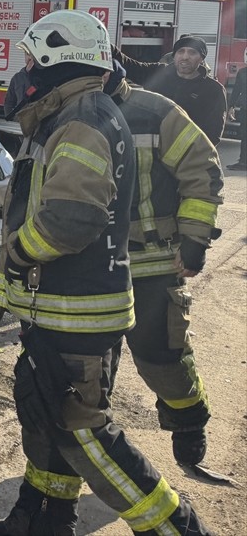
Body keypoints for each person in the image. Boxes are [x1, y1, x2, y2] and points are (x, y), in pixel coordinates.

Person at [0, 10, 209, 536]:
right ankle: (43, 519)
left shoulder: (81, 119)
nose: (24, 70)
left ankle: (178, 528)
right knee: (48, 414)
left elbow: (70, 219)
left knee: (83, 431)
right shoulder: (82, 110)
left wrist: (16, 255)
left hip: (75, 307)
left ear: (57, 60)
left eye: (32, 59)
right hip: (65, 304)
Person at [104, 64, 222, 468]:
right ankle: (92, 437)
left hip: (152, 261)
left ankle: (188, 421)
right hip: (88, 264)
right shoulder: (64, 112)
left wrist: (195, 239)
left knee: (161, 354)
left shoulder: (155, 112)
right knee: (84, 363)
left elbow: (201, 172)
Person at [114, 35, 226, 146]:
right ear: (174, 56)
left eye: (192, 52)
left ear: (201, 58)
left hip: (186, 152)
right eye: (181, 51)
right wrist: (108, 47)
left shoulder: (213, 89)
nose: (185, 57)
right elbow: (129, 65)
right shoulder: (158, 74)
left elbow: (214, 132)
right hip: (152, 149)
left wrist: (196, 152)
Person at [229, 50, 246, 171]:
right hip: (245, 109)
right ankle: (243, 162)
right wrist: (231, 106)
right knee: (244, 135)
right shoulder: (242, 72)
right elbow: (236, 90)